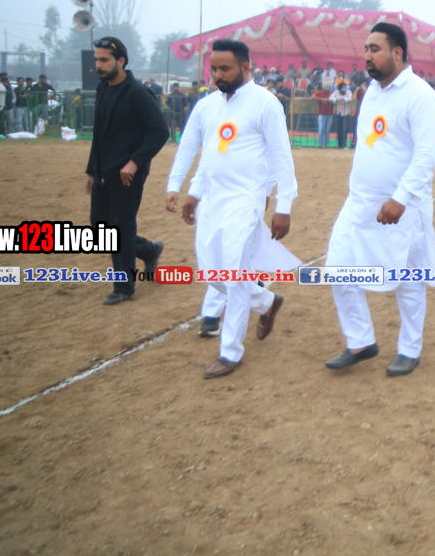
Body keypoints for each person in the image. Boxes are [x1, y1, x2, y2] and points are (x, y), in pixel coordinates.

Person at [165, 38, 296, 379]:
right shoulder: (206, 106)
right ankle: (267, 302)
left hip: (245, 202)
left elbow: (282, 157)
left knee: (234, 276)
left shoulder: (265, 103)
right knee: (212, 274)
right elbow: (194, 148)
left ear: (246, 67)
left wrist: (283, 204)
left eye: (225, 68)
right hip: (211, 201)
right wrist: (184, 189)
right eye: (214, 69)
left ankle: (230, 352)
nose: (218, 75)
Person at [323, 22, 435, 377]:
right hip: (359, 202)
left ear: (397, 52)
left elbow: (426, 154)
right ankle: (360, 341)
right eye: (366, 49)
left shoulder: (421, 95)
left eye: (374, 49)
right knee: (338, 268)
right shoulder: (372, 92)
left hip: (402, 206)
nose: (367, 55)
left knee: (407, 279)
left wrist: (400, 197)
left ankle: (410, 349)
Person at [85, 37, 169, 305]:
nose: (98, 65)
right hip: (103, 171)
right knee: (100, 230)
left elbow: (160, 131)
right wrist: (92, 170)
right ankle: (148, 250)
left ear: (120, 61)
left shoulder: (137, 92)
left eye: (104, 60)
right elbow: (99, 133)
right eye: (97, 60)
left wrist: (134, 162)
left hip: (128, 174)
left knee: (120, 229)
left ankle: (124, 288)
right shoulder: (102, 88)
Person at [330, 80, 354, 149]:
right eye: (342, 88)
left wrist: (342, 99)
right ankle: (339, 145)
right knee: (339, 129)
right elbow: (330, 98)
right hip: (338, 113)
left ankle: (344, 144)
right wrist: (336, 100)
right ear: (340, 89)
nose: (344, 89)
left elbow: (350, 98)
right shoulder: (336, 92)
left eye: (344, 87)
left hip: (346, 113)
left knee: (344, 129)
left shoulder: (348, 92)